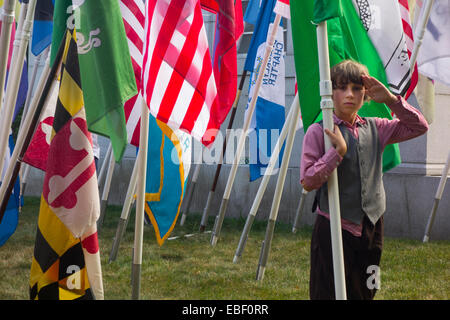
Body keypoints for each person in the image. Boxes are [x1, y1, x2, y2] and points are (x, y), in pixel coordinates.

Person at [300, 60, 429, 300]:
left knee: (367, 287)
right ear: (331, 91)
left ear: (366, 93)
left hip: (372, 225)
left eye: (357, 88)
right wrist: (335, 154)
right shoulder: (318, 132)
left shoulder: (377, 127)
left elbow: (419, 127)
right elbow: (307, 181)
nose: (350, 94)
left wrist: (391, 99)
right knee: (328, 291)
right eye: (342, 87)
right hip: (334, 226)